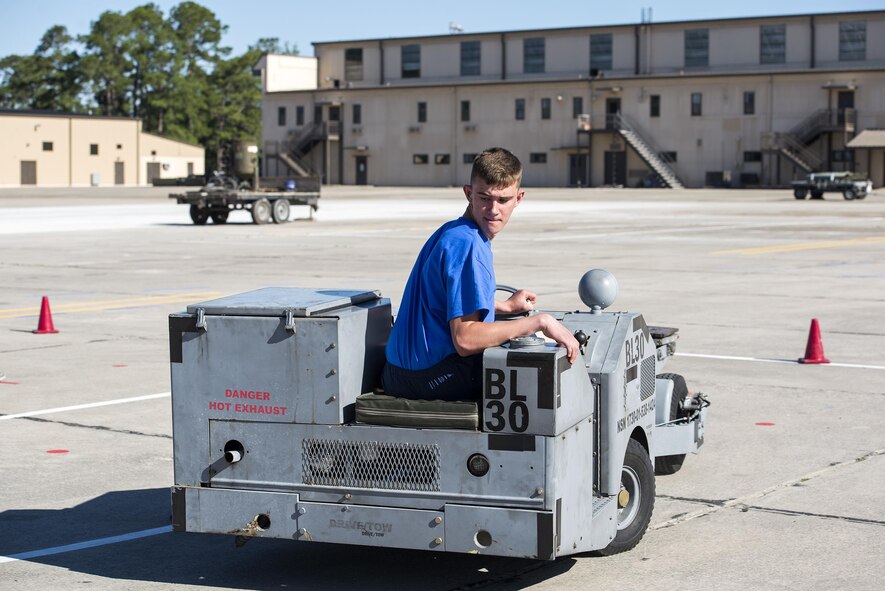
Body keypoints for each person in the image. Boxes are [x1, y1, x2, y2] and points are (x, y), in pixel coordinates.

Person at [382, 147, 579, 401]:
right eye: (484, 198)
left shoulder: (453, 231)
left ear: (519, 198)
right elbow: (465, 340)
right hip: (427, 377)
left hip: (401, 372)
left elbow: (447, 301)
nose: (493, 209)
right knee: (530, 376)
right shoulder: (468, 245)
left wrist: (505, 307)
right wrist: (539, 322)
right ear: (468, 194)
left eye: (503, 200)